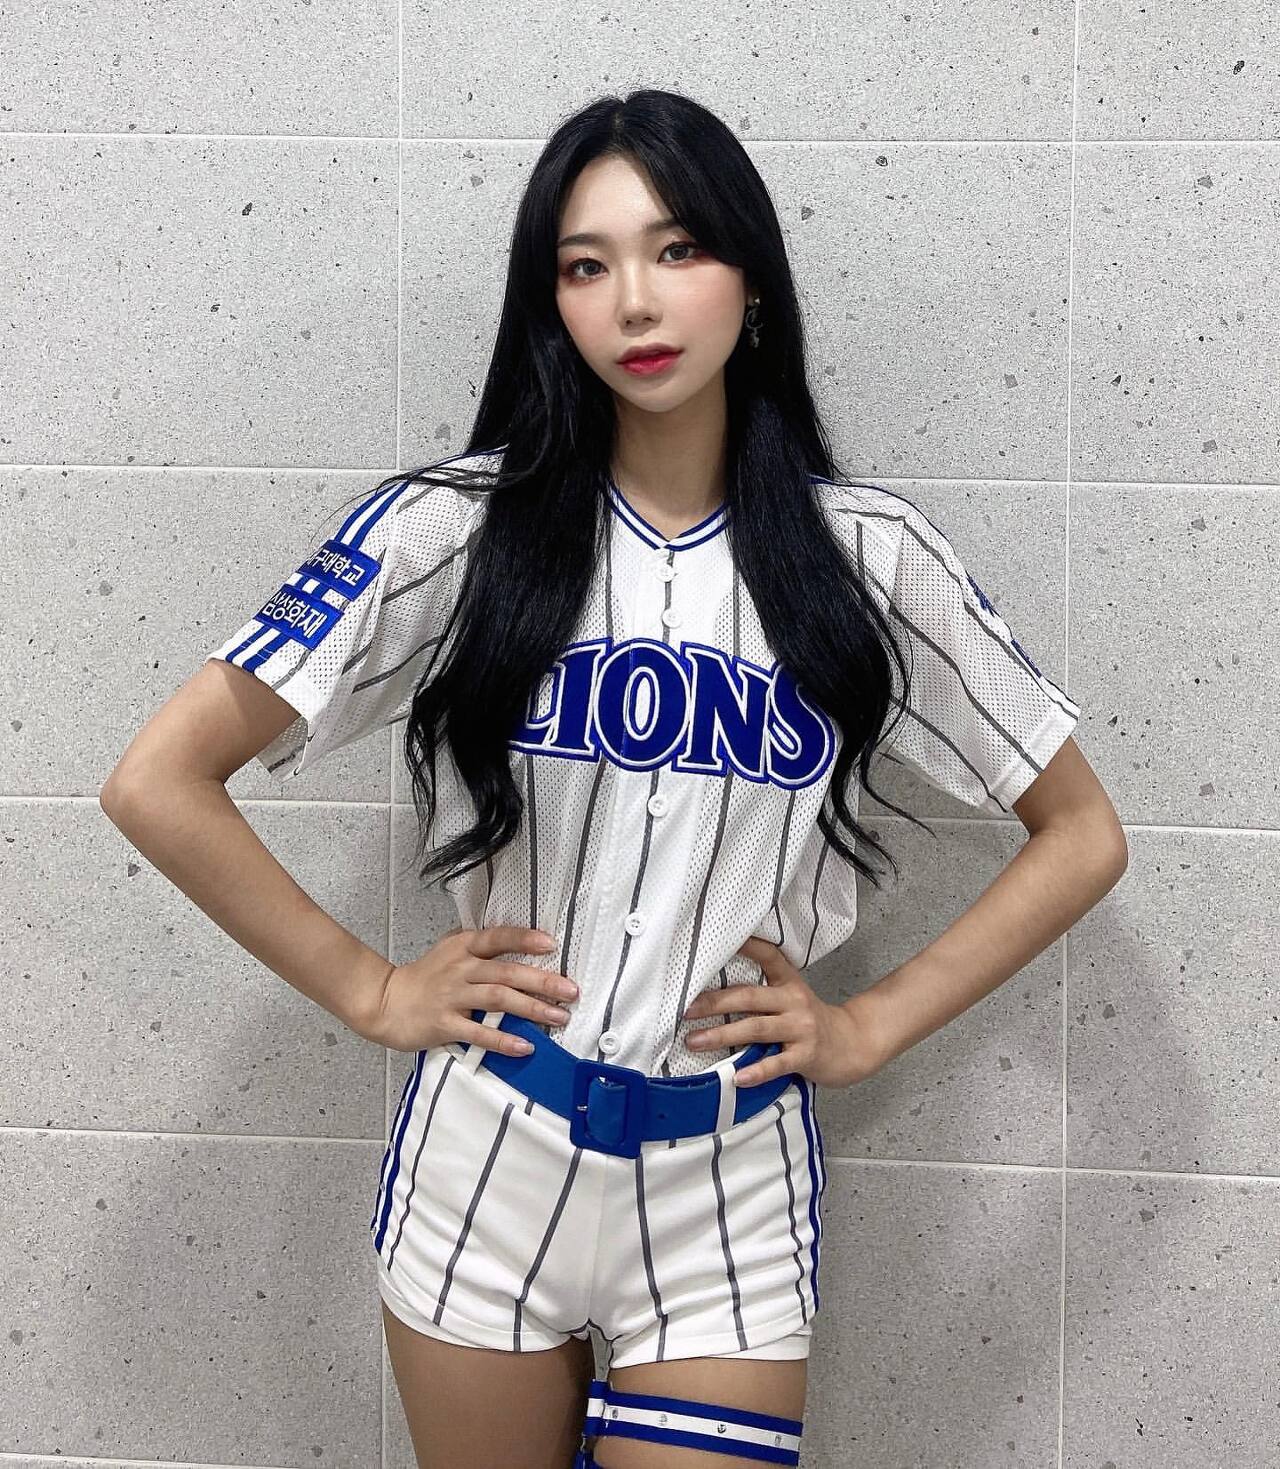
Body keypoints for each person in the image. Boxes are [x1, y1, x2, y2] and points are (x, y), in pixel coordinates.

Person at [100, 87, 1126, 1469]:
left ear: (752, 285)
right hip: (490, 1152)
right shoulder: (451, 530)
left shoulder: (868, 557)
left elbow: (1081, 832)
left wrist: (870, 1025)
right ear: (554, 306)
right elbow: (160, 779)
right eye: (587, 266)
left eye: (677, 249)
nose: (634, 300)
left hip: (728, 1178)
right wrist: (372, 988)